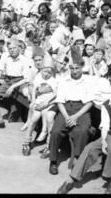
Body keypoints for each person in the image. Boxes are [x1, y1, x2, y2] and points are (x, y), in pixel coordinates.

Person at [56, 75, 111, 194]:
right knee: (90, 147)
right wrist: (104, 141)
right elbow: (105, 125)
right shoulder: (105, 104)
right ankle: (71, 179)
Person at [48, 46, 95, 175]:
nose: (74, 71)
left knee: (82, 130)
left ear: (82, 68)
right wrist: (67, 117)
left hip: (82, 109)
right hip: (66, 109)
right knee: (56, 131)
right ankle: (53, 160)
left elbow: (89, 102)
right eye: (72, 68)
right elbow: (60, 101)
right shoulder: (64, 81)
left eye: (77, 68)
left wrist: (75, 117)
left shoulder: (88, 82)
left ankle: (77, 158)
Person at [0, 38, 32, 130]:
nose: (12, 50)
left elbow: (27, 78)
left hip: (20, 82)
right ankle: (0, 121)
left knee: (28, 95)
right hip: (8, 81)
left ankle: (30, 121)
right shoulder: (5, 56)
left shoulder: (25, 59)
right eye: (10, 48)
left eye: (14, 48)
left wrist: (13, 87)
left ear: (19, 48)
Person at [22, 55, 58, 156]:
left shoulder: (54, 81)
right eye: (45, 71)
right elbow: (34, 89)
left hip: (49, 103)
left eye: (49, 72)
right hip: (38, 102)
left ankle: (48, 145)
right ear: (41, 70)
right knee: (35, 117)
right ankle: (26, 141)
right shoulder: (38, 77)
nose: (46, 74)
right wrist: (33, 100)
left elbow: (55, 94)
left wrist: (47, 102)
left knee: (48, 119)